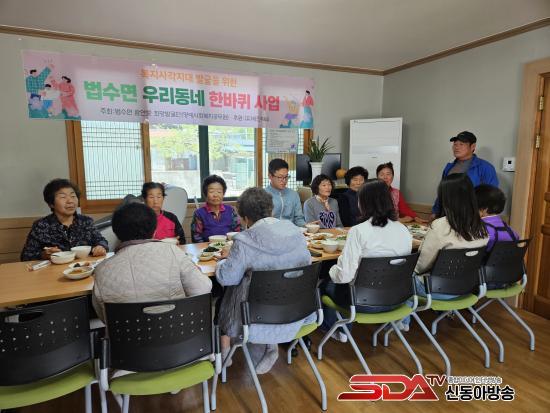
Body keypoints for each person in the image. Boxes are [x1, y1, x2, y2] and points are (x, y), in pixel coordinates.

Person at [215, 187, 314, 374]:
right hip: (295, 310)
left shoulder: (243, 240)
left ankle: (225, 353)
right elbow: (307, 263)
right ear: (271, 209)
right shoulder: (295, 232)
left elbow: (227, 278)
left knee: (228, 294)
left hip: (255, 317)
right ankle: (270, 347)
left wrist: (223, 262)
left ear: (245, 218)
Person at [322, 180, 412, 341]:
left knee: (324, 284)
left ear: (364, 203)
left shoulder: (358, 231)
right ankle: (396, 323)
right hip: (398, 299)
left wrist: (331, 271)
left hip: (363, 302)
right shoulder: (403, 229)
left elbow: (344, 276)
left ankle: (340, 330)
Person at [92, 202, 212, 321]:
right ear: (154, 230)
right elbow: (203, 289)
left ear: (116, 233)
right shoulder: (172, 251)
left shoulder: (101, 270)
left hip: (126, 333)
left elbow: (104, 317)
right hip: (178, 330)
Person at [413, 174, 489, 301]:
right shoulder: (482, 227)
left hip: (435, 289)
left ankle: (405, 314)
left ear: (446, 197)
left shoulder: (440, 225)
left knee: (399, 279)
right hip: (467, 286)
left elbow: (421, 266)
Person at [21, 179, 108, 261]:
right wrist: (43, 255)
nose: (70, 201)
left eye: (73, 196)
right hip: (54, 270)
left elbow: (101, 240)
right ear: (51, 204)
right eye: (63, 197)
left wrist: (101, 246)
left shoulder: (86, 221)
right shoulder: (41, 225)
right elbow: (26, 256)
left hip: (84, 267)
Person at [432, 131, 498, 216]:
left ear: (472, 146)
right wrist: (435, 212)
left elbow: (491, 196)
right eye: (455, 144)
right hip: (447, 216)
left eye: (461, 144)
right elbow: (442, 192)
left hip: (472, 217)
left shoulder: (485, 168)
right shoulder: (449, 167)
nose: (457, 147)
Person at [191, 175, 240, 242]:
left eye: (219, 192)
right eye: (211, 192)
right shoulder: (199, 213)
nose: (215, 195)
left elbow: (238, 231)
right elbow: (196, 237)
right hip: (207, 247)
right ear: (205, 194)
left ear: (223, 194)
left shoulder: (230, 210)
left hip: (229, 246)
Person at [264, 158, 306, 227]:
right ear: (270, 176)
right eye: (280, 177)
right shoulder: (262, 195)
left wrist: (305, 226)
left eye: (286, 177)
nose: (284, 181)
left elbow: (299, 219)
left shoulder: (293, 194)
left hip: (291, 231)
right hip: (270, 231)